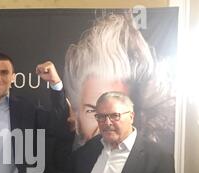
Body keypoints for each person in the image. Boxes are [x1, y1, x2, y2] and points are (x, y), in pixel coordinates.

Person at [63, 13, 175, 151]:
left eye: (116, 113)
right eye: (92, 111)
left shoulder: (156, 164)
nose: (104, 126)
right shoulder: (75, 165)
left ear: (138, 116)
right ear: (77, 115)